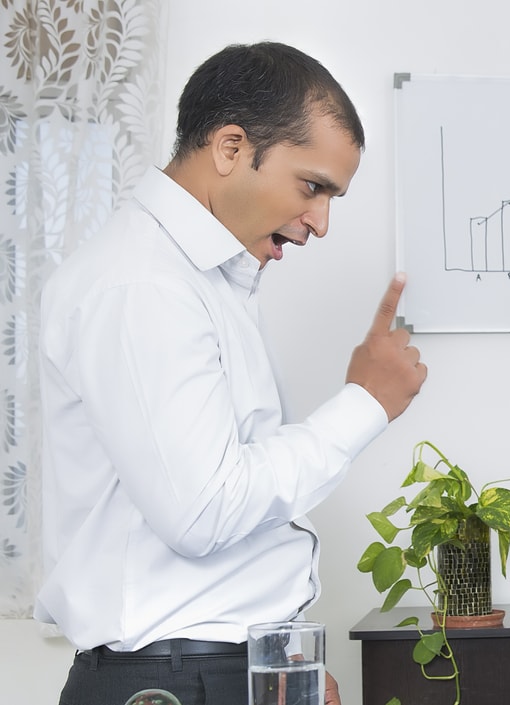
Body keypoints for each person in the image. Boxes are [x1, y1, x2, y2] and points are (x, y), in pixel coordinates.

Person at [36, 42, 426, 705]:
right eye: (313, 187)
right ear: (229, 148)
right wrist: (365, 402)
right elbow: (203, 510)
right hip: (175, 682)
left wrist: (283, 660)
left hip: (215, 673)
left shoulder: (199, 279)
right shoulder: (143, 284)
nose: (321, 223)